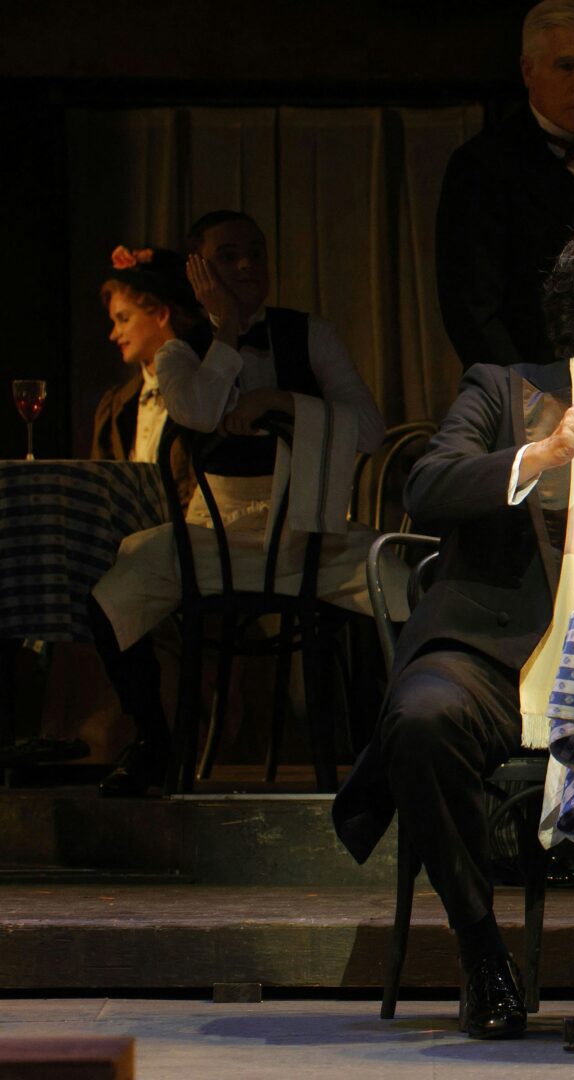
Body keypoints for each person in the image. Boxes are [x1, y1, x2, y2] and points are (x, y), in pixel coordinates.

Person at [332, 225, 574, 1040]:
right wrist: (538, 454)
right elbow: (425, 486)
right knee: (423, 720)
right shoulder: (505, 391)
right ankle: (482, 959)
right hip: (494, 661)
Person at [90, 209, 388, 797]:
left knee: (398, 581)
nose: (248, 264)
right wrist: (225, 332)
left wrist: (279, 399)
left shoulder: (310, 333)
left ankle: (385, 753)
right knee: (108, 598)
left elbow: (371, 429)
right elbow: (198, 410)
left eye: (256, 250)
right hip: (213, 535)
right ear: (198, 269)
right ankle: (154, 741)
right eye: (228, 255)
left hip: (307, 532)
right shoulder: (179, 351)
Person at [436, 0, 574, 371]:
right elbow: (472, 313)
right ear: (528, 70)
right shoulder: (481, 166)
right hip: (531, 391)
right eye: (566, 67)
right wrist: (531, 400)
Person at [91, 246, 207, 502]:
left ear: (161, 314)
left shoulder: (204, 393)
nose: (114, 334)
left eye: (123, 319)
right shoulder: (117, 405)